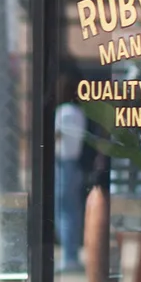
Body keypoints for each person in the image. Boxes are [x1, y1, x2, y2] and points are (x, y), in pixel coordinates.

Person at [54, 84, 91, 269]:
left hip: (63, 163)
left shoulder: (63, 112)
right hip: (74, 163)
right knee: (72, 211)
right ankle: (72, 254)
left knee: (64, 210)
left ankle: (69, 256)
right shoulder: (79, 113)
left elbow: (57, 135)